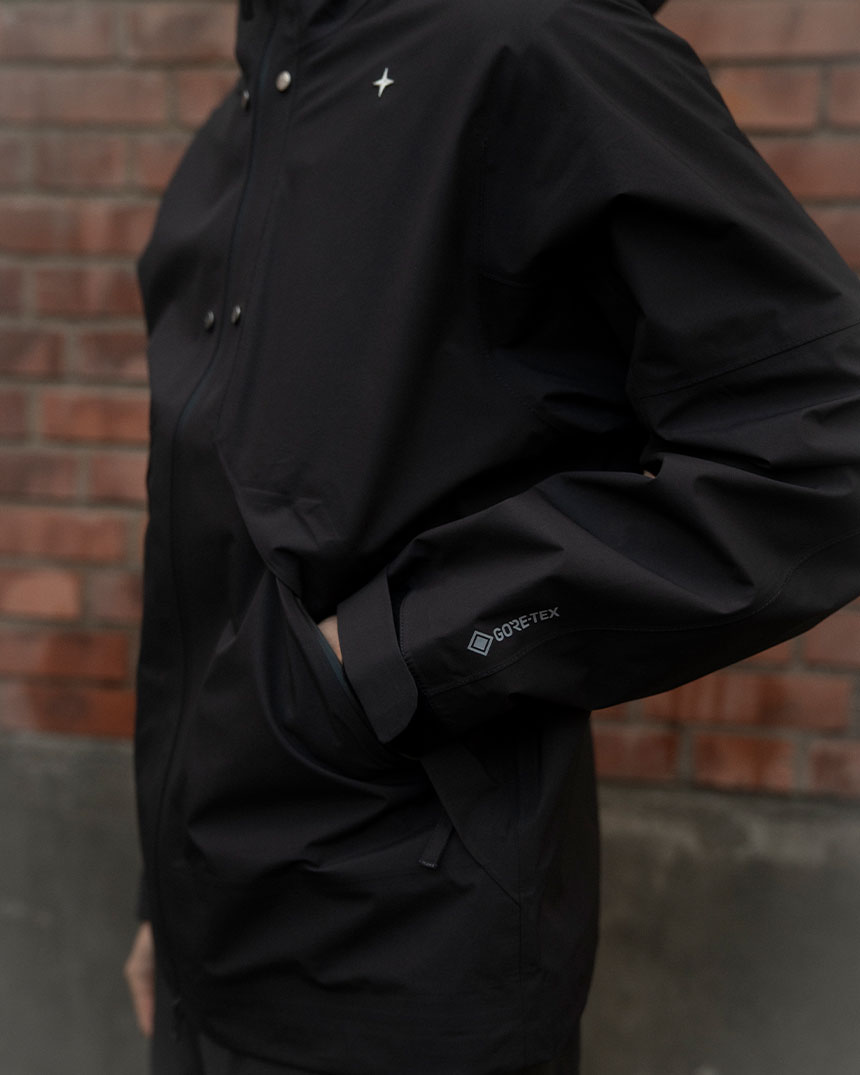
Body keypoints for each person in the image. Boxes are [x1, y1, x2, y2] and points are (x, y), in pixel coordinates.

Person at [124, 0, 860, 1071]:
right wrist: (161, 898)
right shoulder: (244, 120)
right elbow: (212, 555)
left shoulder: (532, 39)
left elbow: (821, 442)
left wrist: (399, 654)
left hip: (402, 954)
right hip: (209, 946)